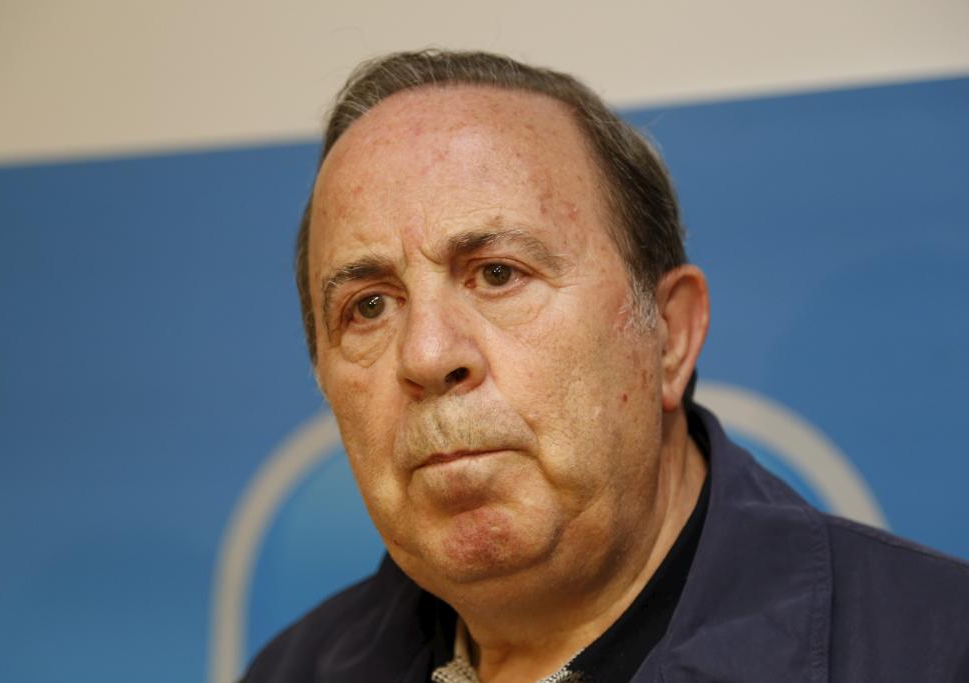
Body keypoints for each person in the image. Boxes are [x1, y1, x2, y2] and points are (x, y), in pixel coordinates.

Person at [243, 50, 969, 682]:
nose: (428, 355)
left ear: (670, 336)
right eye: (369, 306)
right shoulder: (289, 671)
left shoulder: (936, 651)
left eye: (498, 274)